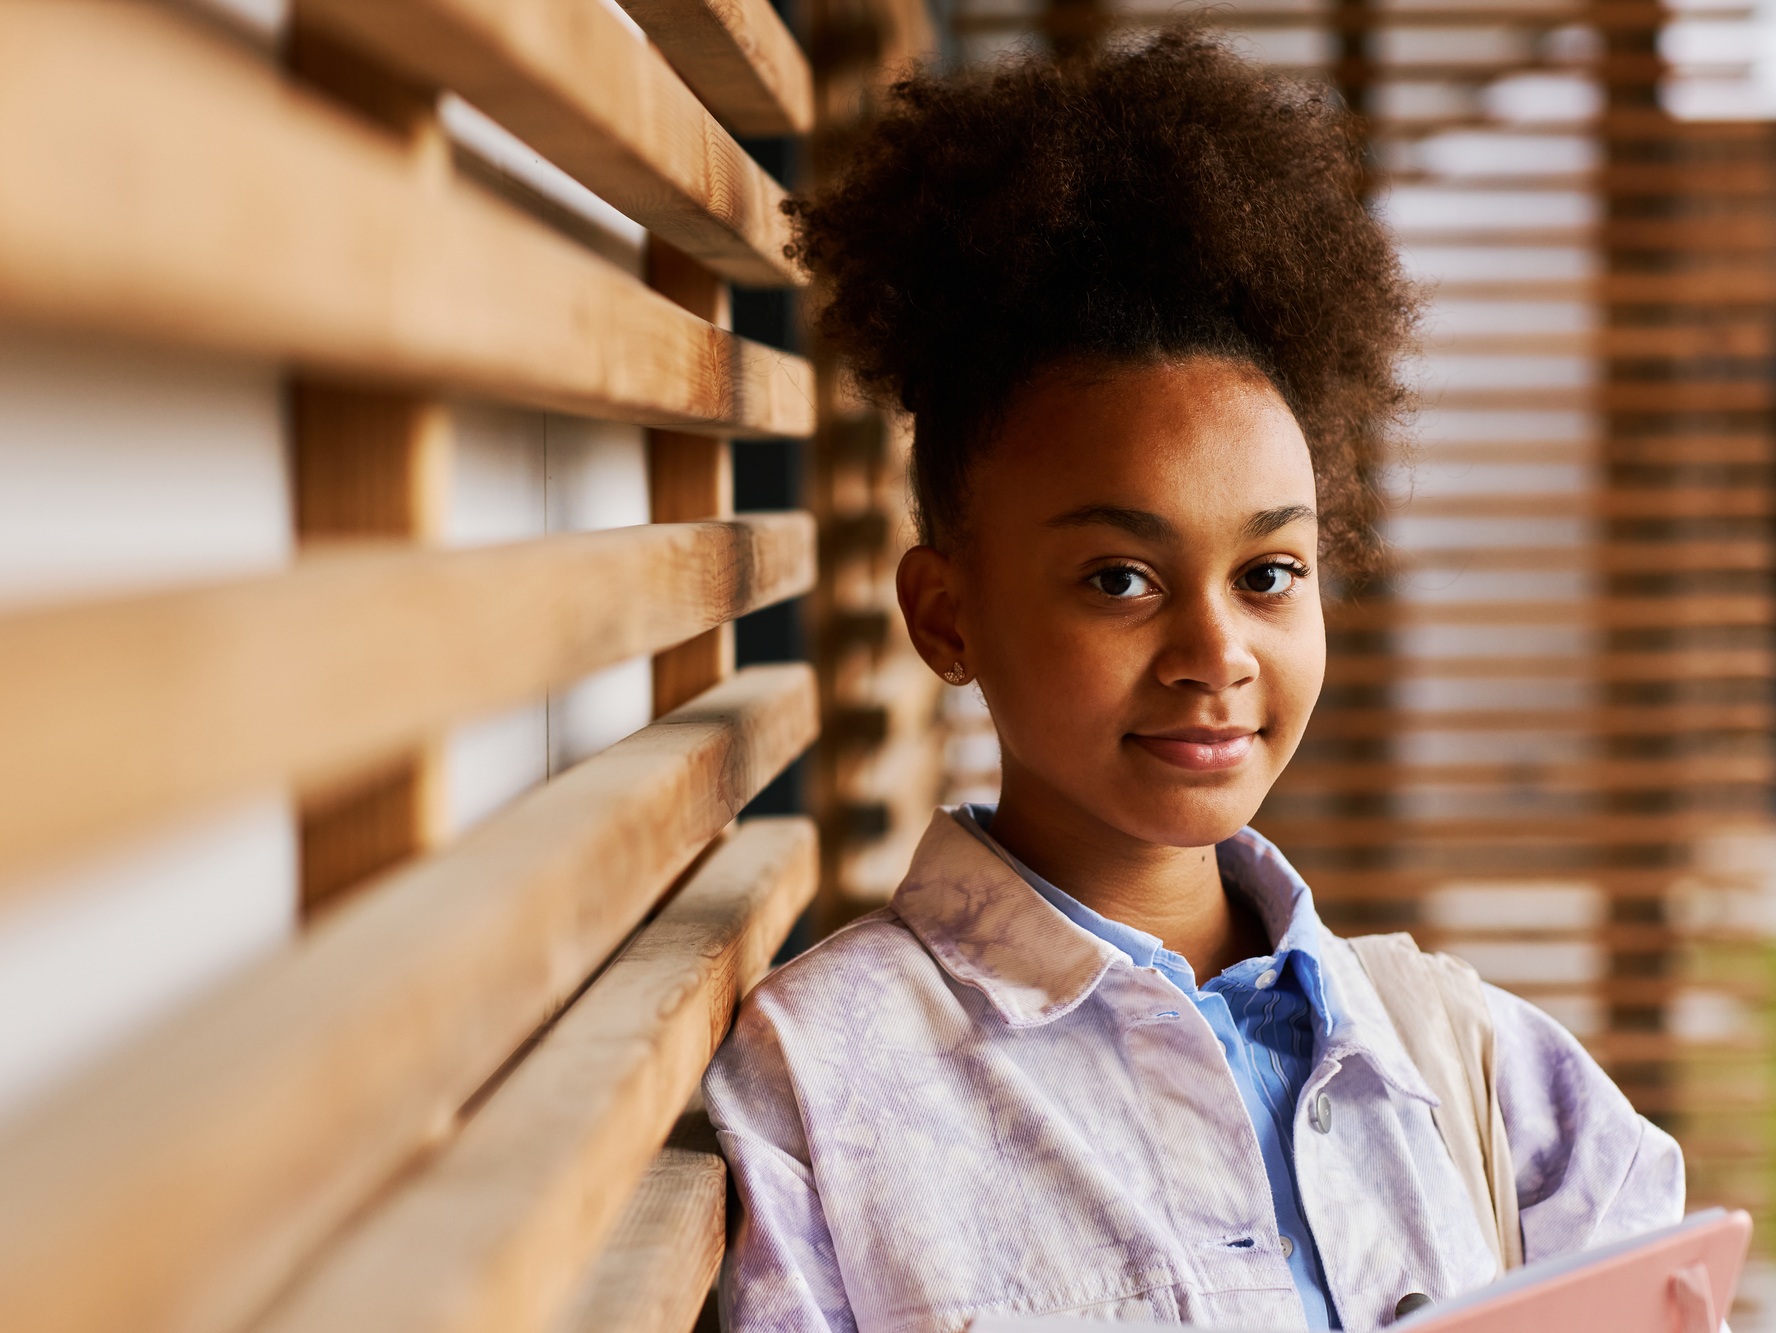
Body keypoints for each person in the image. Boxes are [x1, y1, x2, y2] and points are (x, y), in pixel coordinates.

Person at [701, 32, 1683, 1333]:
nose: (1217, 652)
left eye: (1270, 572)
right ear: (947, 616)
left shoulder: (1489, 1077)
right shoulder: (828, 1080)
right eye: (1120, 578)